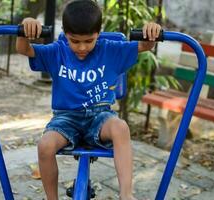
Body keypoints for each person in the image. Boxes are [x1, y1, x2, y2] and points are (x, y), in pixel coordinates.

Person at [16, 0, 161, 199]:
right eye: (74, 41)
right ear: (65, 34)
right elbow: (24, 49)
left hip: (100, 116)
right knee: (45, 145)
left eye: (89, 40)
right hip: (66, 119)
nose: (82, 47)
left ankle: (126, 194)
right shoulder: (58, 51)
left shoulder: (110, 50)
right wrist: (26, 27)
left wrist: (151, 31)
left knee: (121, 128)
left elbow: (145, 45)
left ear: (98, 34)